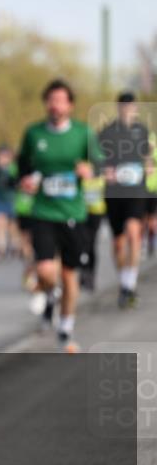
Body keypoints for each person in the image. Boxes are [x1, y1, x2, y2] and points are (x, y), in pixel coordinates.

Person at [16, 79, 99, 353]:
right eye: (51, 100)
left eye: (61, 100)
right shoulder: (34, 134)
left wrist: (90, 171)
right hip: (43, 211)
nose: (55, 105)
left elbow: (99, 163)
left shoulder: (82, 133)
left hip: (73, 213)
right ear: (46, 104)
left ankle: (65, 326)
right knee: (45, 270)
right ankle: (49, 293)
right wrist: (25, 180)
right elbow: (22, 166)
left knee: (69, 275)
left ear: (70, 105)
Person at [98, 91, 154, 308]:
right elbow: (97, 158)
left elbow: (147, 156)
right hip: (115, 193)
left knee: (134, 232)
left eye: (132, 106)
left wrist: (148, 166)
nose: (128, 109)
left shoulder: (142, 130)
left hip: (136, 190)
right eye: (124, 106)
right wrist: (106, 171)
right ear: (118, 107)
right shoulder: (107, 132)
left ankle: (130, 284)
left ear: (136, 108)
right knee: (119, 243)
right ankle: (124, 283)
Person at [0, 145, 19, 262]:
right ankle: (0, 247)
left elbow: (17, 182)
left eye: (5, 157)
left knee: (12, 225)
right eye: (0, 156)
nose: (2, 159)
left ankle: (14, 246)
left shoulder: (13, 169)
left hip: (11, 199)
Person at [80, 173, 107, 293]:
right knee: (81, 244)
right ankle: (83, 272)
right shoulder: (80, 173)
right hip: (80, 213)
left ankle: (90, 275)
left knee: (90, 243)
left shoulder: (101, 172)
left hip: (96, 212)